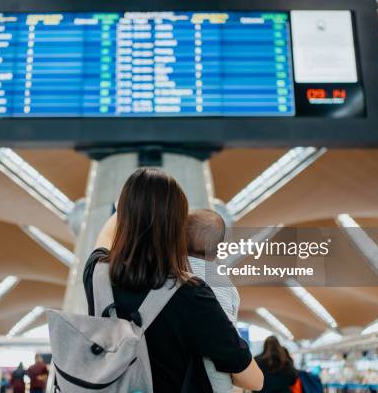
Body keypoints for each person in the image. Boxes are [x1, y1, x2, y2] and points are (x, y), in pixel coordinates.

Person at [84, 167, 263, 392]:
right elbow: (253, 380)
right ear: (176, 227)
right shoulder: (191, 293)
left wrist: (131, 203)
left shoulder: (97, 274)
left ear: (124, 215)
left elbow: (105, 237)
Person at [186, 208, 241, 392]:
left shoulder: (174, 273)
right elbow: (232, 334)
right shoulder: (227, 286)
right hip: (218, 378)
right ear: (218, 250)